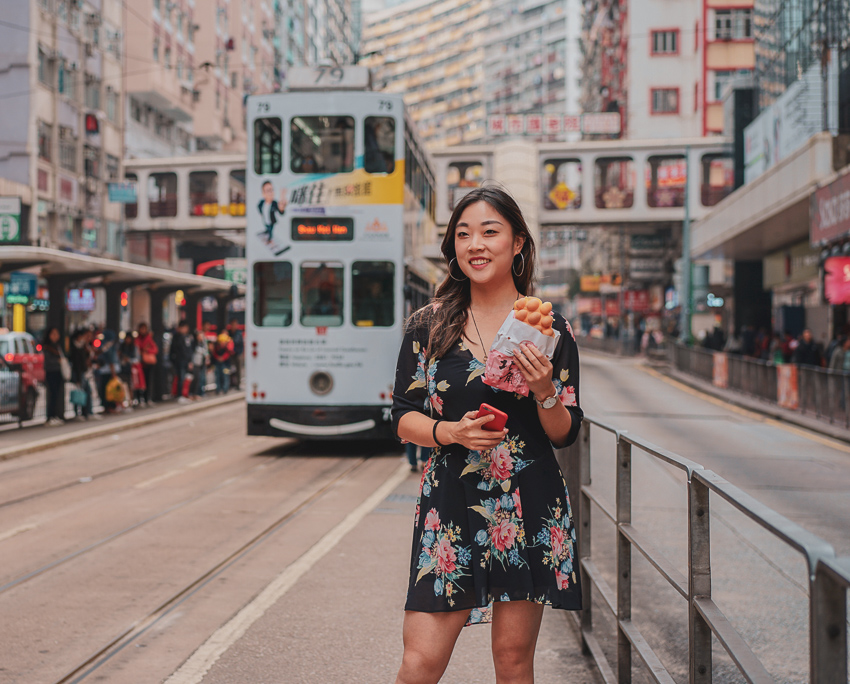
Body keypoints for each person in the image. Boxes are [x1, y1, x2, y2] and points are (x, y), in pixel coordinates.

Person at [391, 186, 582, 683]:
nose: (475, 244)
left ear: (517, 243)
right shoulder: (428, 325)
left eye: (489, 232)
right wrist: (449, 431)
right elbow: (404, 415)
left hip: (527, 500)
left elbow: (564, 433)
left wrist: (544, 391)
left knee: (513, 663)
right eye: (463, 234)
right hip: (450, 503)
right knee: (420, 661)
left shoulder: (549, 329)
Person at [42, 326, 66, 426]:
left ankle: (56, 415)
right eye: (53, 334)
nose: (56, 336)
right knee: (52, 395)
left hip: (58, 372)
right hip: (51, 372)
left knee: (57, 395)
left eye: (57, 334)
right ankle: (50, 416)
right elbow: (47, 361)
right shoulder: (47, 347)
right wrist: (58, 361)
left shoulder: (58, 346)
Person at [169, 320, 195, 403]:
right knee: (180, 378)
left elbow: (189, 349)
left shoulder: (188, 337)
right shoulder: (176, 337)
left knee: (186, 378)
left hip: (186, 361)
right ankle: (179, 395)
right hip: (179, 361)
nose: (185, 329)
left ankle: (185, 394)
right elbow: (175, 350)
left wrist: (190, 361)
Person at [135, 322, 159, 406]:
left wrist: (147, 350)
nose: (142, 330)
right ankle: (139, 399)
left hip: (148, 363)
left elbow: (155, 349)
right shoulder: (137, 339)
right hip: (139, 363)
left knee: (148, 381)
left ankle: (147, 398)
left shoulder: (149, 338)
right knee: (139, 381)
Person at [227, 318, 244, 390]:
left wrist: (238, 351)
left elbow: (240, 343)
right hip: (230, 354)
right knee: (229, 369)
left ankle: (238, 384)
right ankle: (230, 383)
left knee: (238, 369)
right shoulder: (228, 333)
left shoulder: (239, 333)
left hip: (238, 353)